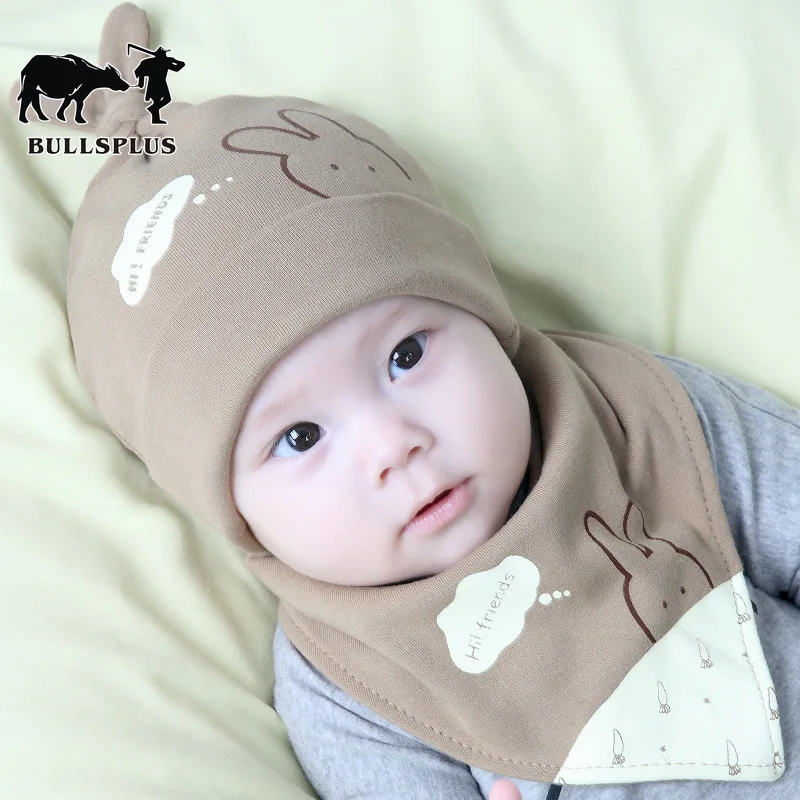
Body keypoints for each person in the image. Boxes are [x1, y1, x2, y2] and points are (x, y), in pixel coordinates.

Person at [18, 5, 798, 798]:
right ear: (234, 512)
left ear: (484, 316)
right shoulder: (351, 684)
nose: (394, 445)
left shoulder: (641, 416)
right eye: (299, 437)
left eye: (406, 355)